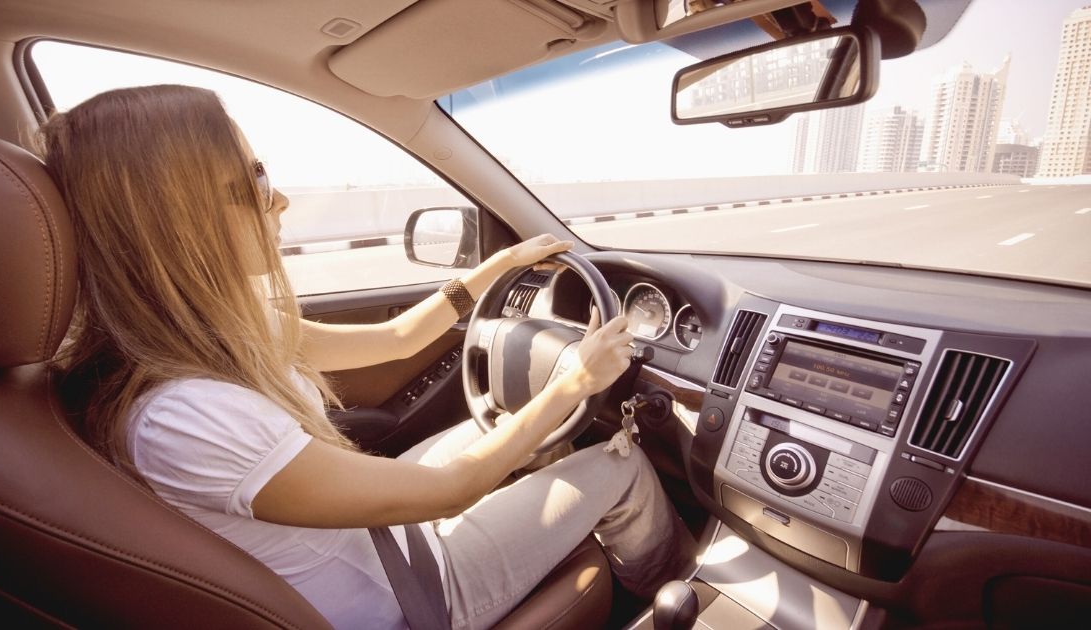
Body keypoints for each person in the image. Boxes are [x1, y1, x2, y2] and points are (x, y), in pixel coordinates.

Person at [40, 84, 694, 630]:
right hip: (406, 597)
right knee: (621, 466)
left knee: (502, 425)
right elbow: (446, 491)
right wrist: (571, 383)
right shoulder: (185, 416)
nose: (279, 199)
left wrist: (492, 269)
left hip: (382, 545)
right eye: (252, 178)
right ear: (178, 220)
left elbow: (395, 341)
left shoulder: (205, 337)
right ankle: (681, 593)